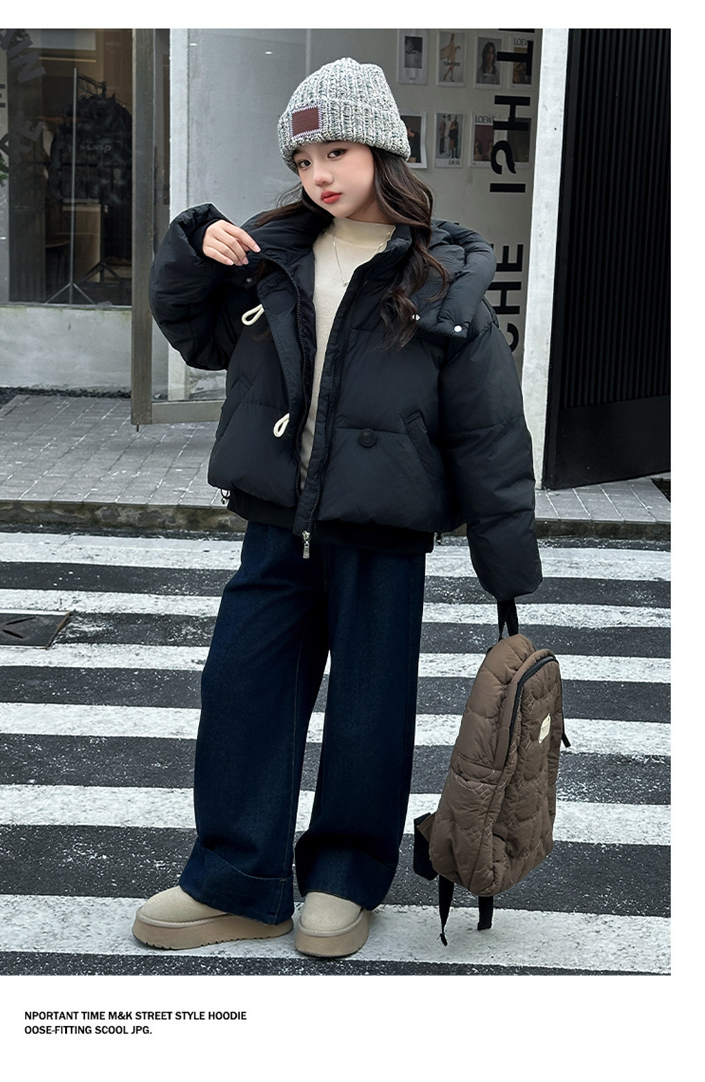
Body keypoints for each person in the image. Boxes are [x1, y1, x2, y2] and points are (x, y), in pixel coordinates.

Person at [133, 57, 541, 959]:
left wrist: (507, 568)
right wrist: (192, 248)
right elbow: (196, 336)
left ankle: (345, 879)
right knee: (241, 690)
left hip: (381, 533)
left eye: (337, 152)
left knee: (369, 713)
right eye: (304, 158)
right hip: (277, 524)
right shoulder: (271, 257)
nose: (318, 173)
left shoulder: (442, 276)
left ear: (382, 151)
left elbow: (488, 432)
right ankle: (238, 882)